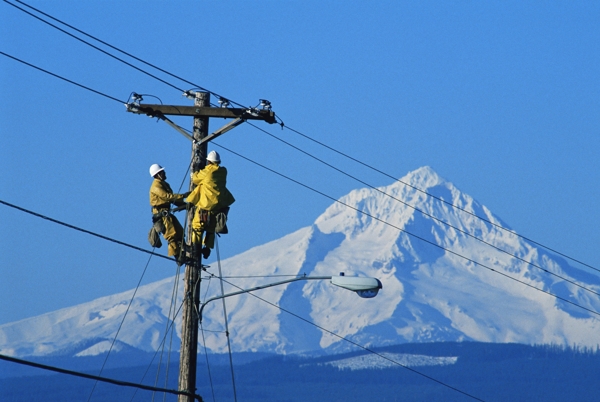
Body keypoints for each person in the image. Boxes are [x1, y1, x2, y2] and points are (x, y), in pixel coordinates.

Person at [186, 151, 235, 259]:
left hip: (205, 205)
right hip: (217, 206)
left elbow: (195, 179)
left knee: (197, 227)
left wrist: (197, 169)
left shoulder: (207, 171)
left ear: (208, 161)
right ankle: (207, 248)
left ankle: (195, 248)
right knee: (210, 229)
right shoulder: (223, 171)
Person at [149, 163, 188, 264]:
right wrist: (183, 196)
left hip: (166, 213)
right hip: (161, 216)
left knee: (179, 232)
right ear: (158, 174)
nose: (164, 173)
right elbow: (167, 197)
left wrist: (186, 204)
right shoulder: (156, 186)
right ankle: (178, 257)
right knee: (172, 236)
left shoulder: (164, 184)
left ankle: (184, 252)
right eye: (162, 172)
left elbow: (172, 200)